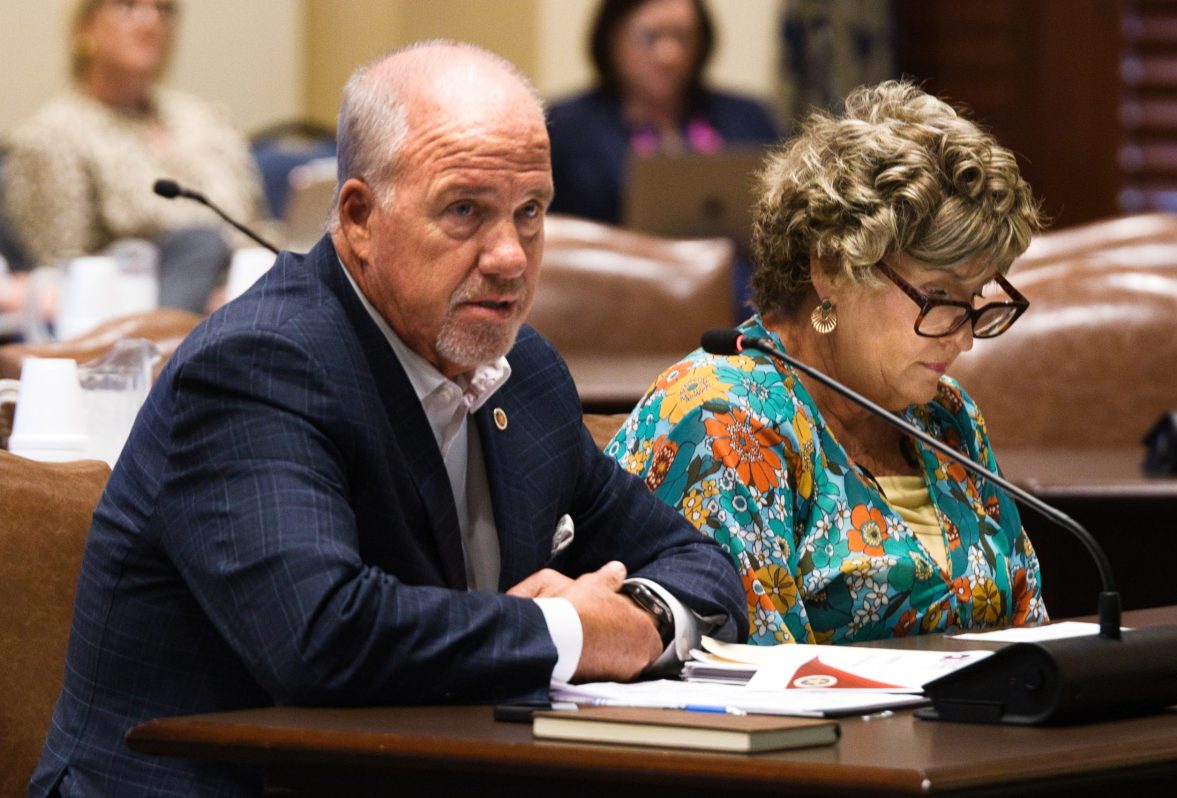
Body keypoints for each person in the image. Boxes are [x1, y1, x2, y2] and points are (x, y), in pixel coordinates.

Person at [29, 42, 745, 797]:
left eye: (530, 211)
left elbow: (699, 564)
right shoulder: (258, 366)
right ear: (360, 217)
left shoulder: (523, 374)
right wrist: (573, 632)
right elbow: (321, 635)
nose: (510, 256)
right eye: (465, 210)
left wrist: (641, 617)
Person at [608, 80, 1049, 646]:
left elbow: (1031, 634)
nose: (963, 338)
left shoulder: (947, 417)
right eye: (939, 296)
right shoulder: (724, 420)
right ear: (832, 268)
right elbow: (757, 671)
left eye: (976, 299)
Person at [3, 0, 265, 313]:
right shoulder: (50, 137)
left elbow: (258, 226)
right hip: (142, 312)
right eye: (128, 6)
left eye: (163, 9)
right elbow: (64, 276)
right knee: (198, 243)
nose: (150, 21)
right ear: (85, 26)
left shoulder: (206, 119)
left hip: (252, 294)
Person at [547, 0, 779, 225]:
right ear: (610, 38)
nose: (669, 55)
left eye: (683, 37)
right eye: (648, 37)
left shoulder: (748, 118)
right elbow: (543, 227)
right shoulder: (567, 126)